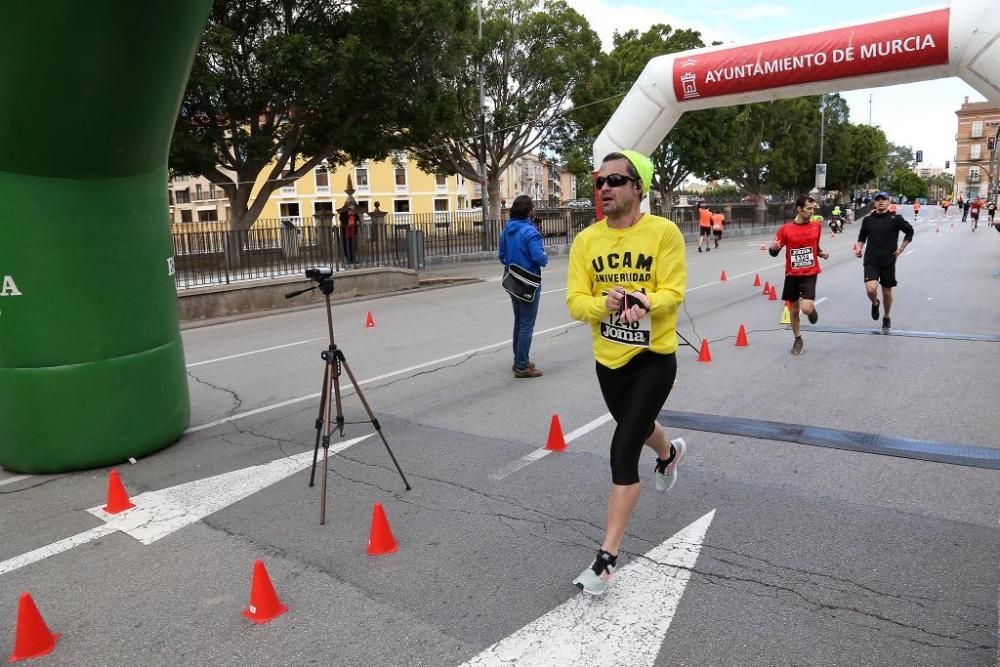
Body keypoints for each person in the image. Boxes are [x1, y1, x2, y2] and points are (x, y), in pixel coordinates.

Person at [566, 150, 687, 596]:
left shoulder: (664, 233)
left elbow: (674, 290)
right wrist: (606, 305)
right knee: (635, 429)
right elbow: (576, 302)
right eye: (600, 182)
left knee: (621, 449)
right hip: (609, 360)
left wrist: (645, 299)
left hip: (654, 357)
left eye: (616, 180)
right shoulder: (586, 242)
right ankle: (669, 453)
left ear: (638, 188)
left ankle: (606, 560)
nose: (605, 189)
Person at [762, 195, 829, 355]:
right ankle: (798, 338)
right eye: (809, 209)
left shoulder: (816, 227)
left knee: (805, 308)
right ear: (799, 209)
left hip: (810, 273)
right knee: (793, 310)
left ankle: (810, 310)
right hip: (792, 274)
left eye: (813, 209)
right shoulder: (785, 229)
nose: (812, 212)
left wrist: (821, 253)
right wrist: (773, 248)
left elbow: (815, 247)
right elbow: (774, 252)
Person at [499, 194, 548, 378]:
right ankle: (522, 365)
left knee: (519, 321)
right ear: (528, 211)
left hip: (513, 281)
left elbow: (502, 256)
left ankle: (519, 359)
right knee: (527, 324)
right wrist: (545, 258)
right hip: (529, 282)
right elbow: (539, 258)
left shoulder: (506, 230)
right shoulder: (530, 232)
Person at [854, 191, 914, 333]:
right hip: (871, 259)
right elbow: (862, 237)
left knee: (887, 292)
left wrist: (901, 249)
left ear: (889, 201)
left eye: (884, 199)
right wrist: (859, 248)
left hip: (888, 260)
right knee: (871, 289)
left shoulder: (896, 218)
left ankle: (886, 316)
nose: (880, 201)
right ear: (875, 202)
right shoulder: (868, 220)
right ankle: (875, 303)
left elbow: (910, 232)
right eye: (878, 199)